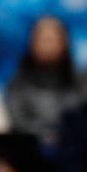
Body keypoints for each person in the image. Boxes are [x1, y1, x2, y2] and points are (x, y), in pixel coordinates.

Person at [6, 16, 81, 149]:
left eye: (52, 39)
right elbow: (17, 125)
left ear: (65, 43)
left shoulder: (80, 82)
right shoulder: (17, 83)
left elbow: (84, 122)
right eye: (42, 39)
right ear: (31, 43)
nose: (47, 44)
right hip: (29, 151)